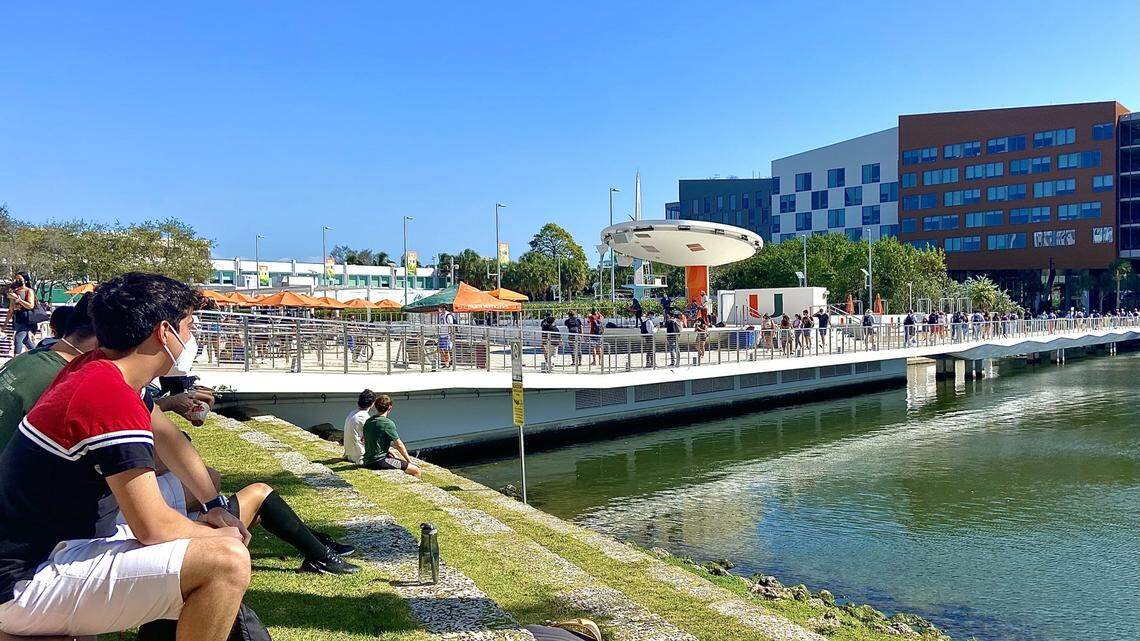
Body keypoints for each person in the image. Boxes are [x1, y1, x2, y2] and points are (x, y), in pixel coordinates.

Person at [0, 273, 251, 640]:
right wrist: (220, 536)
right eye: (189, 326)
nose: (190, 338)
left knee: (208, 539)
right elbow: (152, 528)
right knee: (226, 562)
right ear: (165, 333)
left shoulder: (96, 369)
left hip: (38, 553)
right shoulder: (109, 397)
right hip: (25, 581)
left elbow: (171, 443)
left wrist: (214, 505)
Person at [362, 394, 421, 478]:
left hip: (367, 460)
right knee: (416, 470)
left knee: (395, 458)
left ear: (375, 406)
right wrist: (409, 461)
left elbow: (364, 440)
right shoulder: (387, 423)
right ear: (390, 407)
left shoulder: (368, 421)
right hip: (378, 461)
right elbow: (399, 445)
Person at [6, 272, 38, 355]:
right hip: (17, 319)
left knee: (18, 338)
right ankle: (37, 354)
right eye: (16, 279)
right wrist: (5, 324)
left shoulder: (29, 291)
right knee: (26, 340)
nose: (17, 281)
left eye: (19, 279)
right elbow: (11, 309)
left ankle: (15, 360)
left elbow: (30, 306)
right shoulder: (14, 292)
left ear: (26, 280)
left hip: (26, 319)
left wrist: (18, 299)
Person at [343, 389, 375, 465]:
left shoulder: (352, 413)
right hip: (359, 456)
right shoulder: (364, 417)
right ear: (372, 404)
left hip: (349, 454)